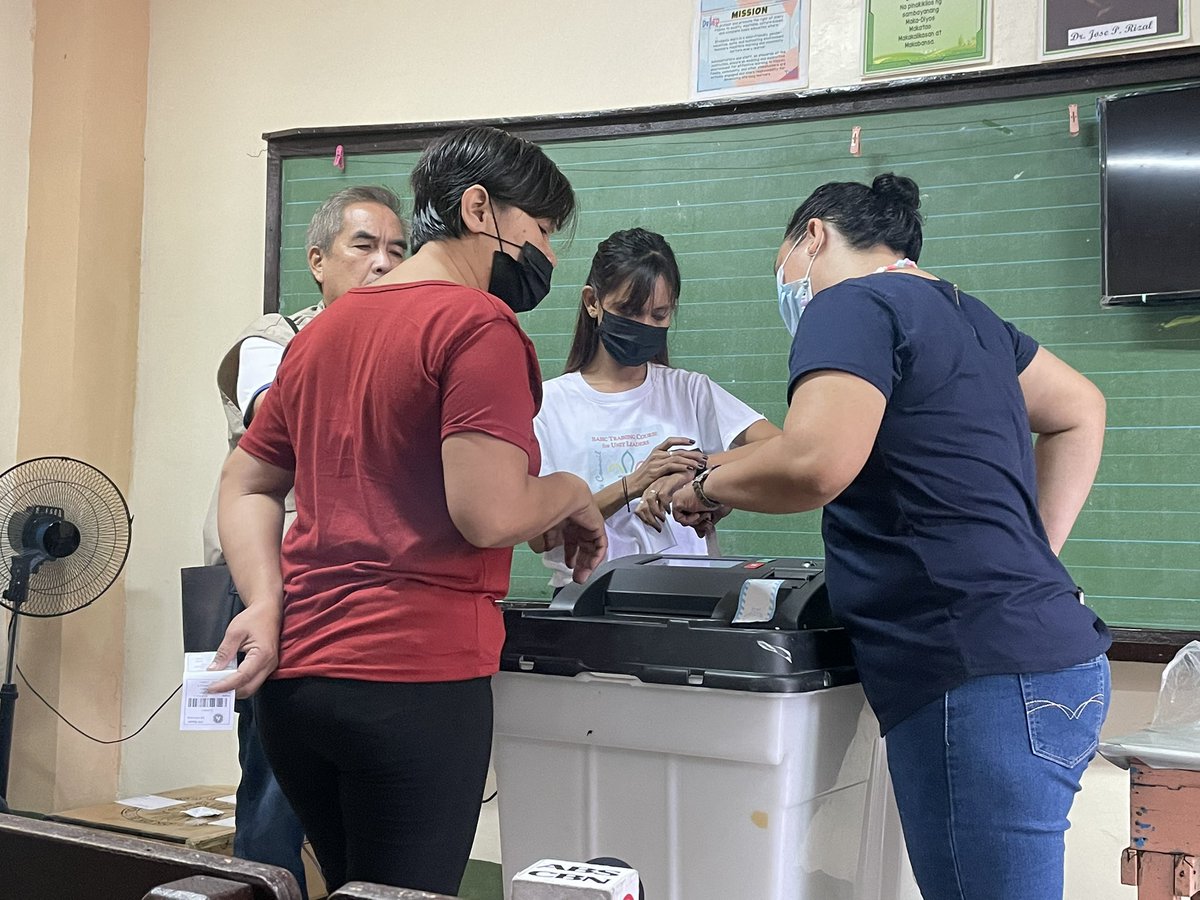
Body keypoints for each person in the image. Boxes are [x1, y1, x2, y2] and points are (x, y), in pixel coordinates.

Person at [663, 173, 1110, 899]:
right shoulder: (969, 315)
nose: (786, 282)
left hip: (978, 676)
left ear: (814, 236)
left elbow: (815, 460)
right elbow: (1080, 409)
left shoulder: (849, 303)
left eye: (782, 260)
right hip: (1049, 657)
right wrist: (1033, 553)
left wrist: (706, 487)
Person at [208, 125, 607, 896]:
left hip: (299, 688)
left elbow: (247, 482)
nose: (549, 254)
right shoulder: (478, 324)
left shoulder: (323, 334)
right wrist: (570, 492)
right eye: (544, 229)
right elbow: (489, 515)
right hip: (411, 683)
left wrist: (263, 600)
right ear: (481, 208)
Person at [201, 185, 407, 892]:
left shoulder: (404, 338)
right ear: (317, 259)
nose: (384, 263)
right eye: (364, 246)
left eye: (398, 250)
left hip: (365, 590)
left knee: (355, 782)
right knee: (274, 784)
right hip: (272, 582)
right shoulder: (271, 340)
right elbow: (288, 412)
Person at [533, 227, 779, 586]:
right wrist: (633, 484)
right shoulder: (549, 405)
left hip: (691, 597)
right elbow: (543, 536)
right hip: (590, 602)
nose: (644, 326)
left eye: (659, 315)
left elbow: (779, 448)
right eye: (629, 311)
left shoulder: (691, 391)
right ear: (592, 302)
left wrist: (698, 477)